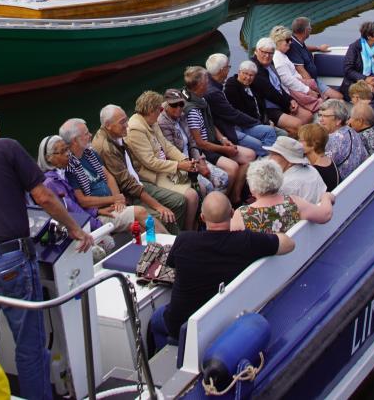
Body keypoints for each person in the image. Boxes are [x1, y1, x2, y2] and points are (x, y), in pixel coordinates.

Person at [0, 99, 95, 400]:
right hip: (10, 261)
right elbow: (44, 197)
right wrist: (75, 229)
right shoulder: (7, 148)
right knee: (30, 348)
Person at [146, 192, 294, 356]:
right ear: (232, 213)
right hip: (224, 321)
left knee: (156, 319)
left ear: (202, 217)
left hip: (183, 325)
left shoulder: (184, 240)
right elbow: (289, 244)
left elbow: (172, 265)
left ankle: (167, 354)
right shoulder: (247, 241)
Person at [91, 104, 183, 232]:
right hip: (129, 195)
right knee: (163, 217)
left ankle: (179, 235)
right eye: (122, 122)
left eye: (126, 120)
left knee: (179, 201)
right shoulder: (107, 148)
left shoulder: (114, 134)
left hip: (137, 182)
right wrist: (158, 206)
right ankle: (174, 242)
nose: (127, 125)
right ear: (108, 125)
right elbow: (128, 185)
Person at [124, 92, 202, 230]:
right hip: (153, 175)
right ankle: (188, 231)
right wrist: (179, 165)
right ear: (150, 110)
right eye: (159, 109)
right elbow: (150, 162)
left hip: (165, 168)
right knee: (191, 196)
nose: (161, 112)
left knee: (200, 187)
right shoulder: (136, 129)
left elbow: (166, 146)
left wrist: (184, 160)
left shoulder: (151, 122)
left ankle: (195, 225)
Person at [56, 118, 145, 234]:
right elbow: (82, 201)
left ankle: (162, 248)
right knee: (141, 213)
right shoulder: (69, 168)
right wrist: (114, 199)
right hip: (98, 213)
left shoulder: (90, 153)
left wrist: (118, 201)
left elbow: (109, 178)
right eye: (86, 133)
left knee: (142, 226)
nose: (90, 135)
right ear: (75, 141)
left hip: (113, 204)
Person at [36, 136, 116, 257]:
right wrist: (97, 224)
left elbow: (77, 203)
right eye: (62, 152)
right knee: (107, 243)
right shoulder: (51, 183)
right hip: (69, 233)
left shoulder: (64, 174)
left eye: (67, 149)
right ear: (49, 158)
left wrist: (96, 211)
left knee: (108, 239)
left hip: (80, 223)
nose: (68, 154)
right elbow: (73, 209)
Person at [181, 72, 256, 200]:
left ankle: (235, 196)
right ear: (199, 85)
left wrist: (223, 139)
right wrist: (225, 149)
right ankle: (222, 203)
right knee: (232, 168)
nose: (209, 83)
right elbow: (200, 143)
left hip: (214, 142)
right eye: (206, 81)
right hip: (205, 149)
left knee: (250, 155)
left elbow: (211, 123)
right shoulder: (192, 110)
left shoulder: (202, 100)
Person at [158, 88, 235, 199]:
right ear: (166, 105)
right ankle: (209, 211)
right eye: (174, 105)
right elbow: (172, 153)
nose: (179, 108)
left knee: (223, 178)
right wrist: (196, 166)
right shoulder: (163, 122)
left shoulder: (182, 115)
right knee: (208, 186)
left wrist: (200, 160)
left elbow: (193, 142)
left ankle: (217, 208)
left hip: (194, 158)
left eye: (181, 104)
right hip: (181, 165)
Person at [201, 55, 278, 153]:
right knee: (260, 145)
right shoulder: (214, 92)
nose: (229, 69)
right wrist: (257, 122)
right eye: (228, 67)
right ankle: (266, 161)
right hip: (228, 130)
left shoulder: (211, 82)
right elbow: (232, 114)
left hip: (234, 125)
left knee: (269, 131)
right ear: (222, 70)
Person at [231, 159, 333, 233]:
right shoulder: (294, 203)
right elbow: (325, 215)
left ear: (252, 187)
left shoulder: (241, 214)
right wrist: (326, 197)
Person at [271, 25, 341, 109]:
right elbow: (290, 80)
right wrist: (311, 91)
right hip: (302, 86)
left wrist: (318, 48)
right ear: (278, 41)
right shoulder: (279, 58)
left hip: (307, 82)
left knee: (339, 99)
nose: (290, 42)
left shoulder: (288, 48)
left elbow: (304, 47)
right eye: (288, 40)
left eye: (290, 39)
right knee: (338, 100)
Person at [249, 40, 310, 132]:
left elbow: (278, 87)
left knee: (307, 116)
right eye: (264, 52)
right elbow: (271, 93)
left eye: (270, 53)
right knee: (298, 124)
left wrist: (291, 99)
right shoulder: (254, 69)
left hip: (279, 103)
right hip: (267, 109)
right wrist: (288, 104)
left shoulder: (270, 64)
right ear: (256, 51)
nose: (267, 56)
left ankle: (290, 134)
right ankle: (288, 136)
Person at [285, 17, 340, 98]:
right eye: (310, 28)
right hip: (309, 84)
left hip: (315, 80)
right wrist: (317, 92)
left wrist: (318, 48)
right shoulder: (293, 46)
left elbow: (304, 48)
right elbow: (302, 71)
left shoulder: (298, 41)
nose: (311, 29)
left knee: (339, 97)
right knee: (339, 98)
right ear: (306, 30)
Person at [316, 98, 368, 180]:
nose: (320, 120)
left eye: (325, 116)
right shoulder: (350, 130)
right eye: (320, 115)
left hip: (346, 185)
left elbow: (323, 168)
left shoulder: (332, 140)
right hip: (362, 175)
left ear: (338, 120)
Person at [265, 135, 327, 203]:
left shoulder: (285, 184)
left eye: (275, 154)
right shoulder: (311, 169)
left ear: (290, 161)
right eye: (271, 153)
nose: (270, 158)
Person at [341, 21, 374, 97]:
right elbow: (348, 70)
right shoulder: (354, 48)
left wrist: (373, 78)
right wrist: (365, 79)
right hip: (354, 85)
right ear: (369, 36)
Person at [297, 123, 338, 191]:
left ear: (313, 145)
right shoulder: (329, 161)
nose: (297, 142)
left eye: (301, 140)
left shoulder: (314, 172)